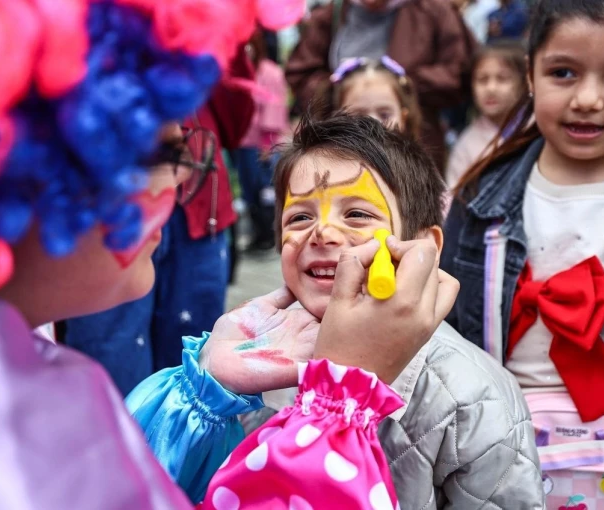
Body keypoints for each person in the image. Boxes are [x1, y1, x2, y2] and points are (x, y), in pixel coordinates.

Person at [0, 1, 461, 509]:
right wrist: (340, 400)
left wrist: (205, 392)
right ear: (25, 174)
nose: (182, 180)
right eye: (159, 155)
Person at [230, 113, 543, 508]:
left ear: (424, 247)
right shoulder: (256, 361)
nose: (321, 232)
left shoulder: (471, 394)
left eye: (357, 214)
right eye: (300, 217)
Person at [442, 0, 604, 506]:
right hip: (498, 446)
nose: (587, 99)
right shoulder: (479, 198)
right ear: (530, 74)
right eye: (563, 72)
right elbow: (445, 333)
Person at [61, 56, 254, 396]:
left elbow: (236, 120)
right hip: (108, 207)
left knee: (194, 374)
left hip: (199, 210)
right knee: (111, 374)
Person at [285, 0, 476, 168]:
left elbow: (461, 72)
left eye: (383, 114)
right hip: (343, 150)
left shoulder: (433, 11)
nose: (372, 122)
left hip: (413, 146)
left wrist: (399, 83)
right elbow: (300, 74)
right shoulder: (330, 15)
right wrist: (341, 87)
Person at [233, 29, 290, 252]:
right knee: (249, 192)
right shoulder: (243, 71)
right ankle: (259, 234)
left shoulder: (270, 72)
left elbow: (273, 108)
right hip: (243, 143)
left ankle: (270, 235)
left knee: (265, 191)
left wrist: (268, 144)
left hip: (263, 145)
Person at [445, 42, 527, 190]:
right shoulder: (466, 146)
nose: (491, 88)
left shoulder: (537, 129)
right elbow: (455, 195)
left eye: (502, 79)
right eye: (482, 80)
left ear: (524, 84)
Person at [322, 55, 422, 140]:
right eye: (359, 116)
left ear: (403, 118)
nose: (374, 123)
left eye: (384, 115)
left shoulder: (414, 157)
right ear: (338, 119)